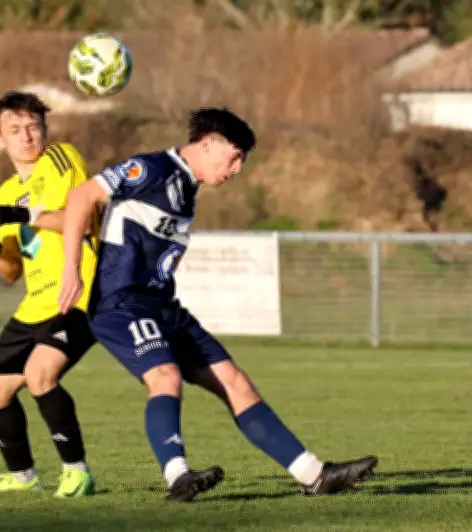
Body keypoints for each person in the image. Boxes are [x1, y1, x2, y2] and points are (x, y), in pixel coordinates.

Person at [57, 107, 378, 502]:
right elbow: (81, 196)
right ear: (208, 144)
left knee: (235, 382)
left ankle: (314, 475)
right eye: (234, 156)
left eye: (242, 159)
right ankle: (177, 476)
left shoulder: (188, 186)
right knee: (164, 376)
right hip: (122, 304)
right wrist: (71, 268)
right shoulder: (151, 168)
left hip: (163, 306)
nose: (237, 168)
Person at [0, 91, 99, 498]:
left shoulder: (59, 158)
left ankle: (77, 471)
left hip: (78, 293)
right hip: (34, 303)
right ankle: (23, 477)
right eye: (15, 130)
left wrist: (24, 215)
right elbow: (11, 271)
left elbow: (87, 218)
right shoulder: (7, 191)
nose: (26, 136)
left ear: (45, 129)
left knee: (40, 375)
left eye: (32, 126)